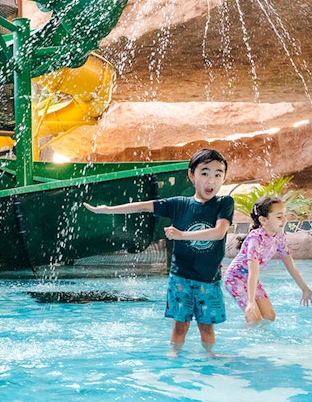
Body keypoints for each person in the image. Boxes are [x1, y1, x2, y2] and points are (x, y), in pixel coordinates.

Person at [84, 148, 234, 356]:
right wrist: (108, 210)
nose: (212, 181)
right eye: (205, 173)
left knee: (206, 326)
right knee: (179, 325)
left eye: (218, 174)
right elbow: (142, 207)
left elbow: (219, 233)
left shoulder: (224, 203)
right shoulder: (178, 205)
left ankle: (210, 356)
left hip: (209, 279)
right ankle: (174, 355)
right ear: (192, 174)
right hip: (181, 277)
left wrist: (181, 235)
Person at [224, 195, 312, 323]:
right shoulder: (255, 239)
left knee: (270, 316)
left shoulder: (279, 237)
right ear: (263, 220)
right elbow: (253, 272)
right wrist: (251, 302)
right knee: (254, 317)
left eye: (284, 215)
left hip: (251, 279)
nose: (284, 220)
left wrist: (304, 288)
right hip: (235, 279)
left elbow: (291, 266)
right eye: (279, 217)